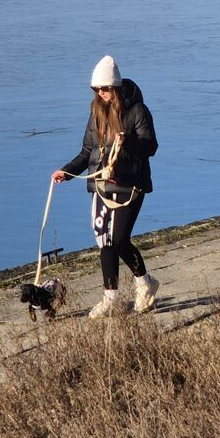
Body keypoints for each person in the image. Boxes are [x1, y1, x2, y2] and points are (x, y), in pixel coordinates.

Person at [52, 55, 160, 318]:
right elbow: (87, 150)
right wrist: (66, 172)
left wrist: (128, 143)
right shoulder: (96, 111)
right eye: (97, 89)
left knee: (119, 239)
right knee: (105, 243)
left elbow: (150, 147)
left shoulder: (138, 111)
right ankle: (111, 297)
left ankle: (144, 285)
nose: (101, 93)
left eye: (106, 89)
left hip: (130, 186)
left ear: (116, 87)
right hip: (101, 185)